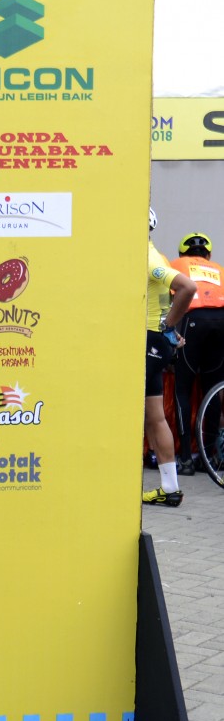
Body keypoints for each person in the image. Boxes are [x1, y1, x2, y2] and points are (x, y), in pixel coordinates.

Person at [144, 208, 194, 506]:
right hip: (156, 341)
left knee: (137, 414)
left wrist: (168, 326)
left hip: (149, 340)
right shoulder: (157, 255)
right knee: (154, 417)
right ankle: (170, 488)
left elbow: (188, 287)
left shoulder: (148, 258)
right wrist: (169, 330)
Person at [169, 230, 224, 474]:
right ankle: (209, 457)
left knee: (182, 388)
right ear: (208, 255)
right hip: (221, 321)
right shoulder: (219, 269)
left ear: (183, 254)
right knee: (212, 389)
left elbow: (166, 299)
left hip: (193, 320)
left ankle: (185, 459)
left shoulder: (176, 264)